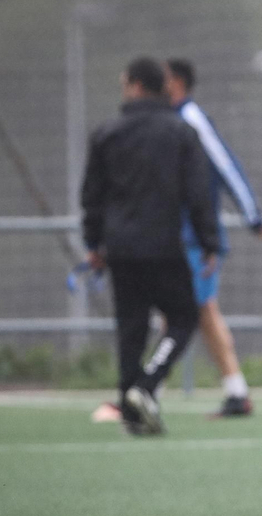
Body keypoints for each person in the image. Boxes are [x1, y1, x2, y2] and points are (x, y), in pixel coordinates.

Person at [80, 56, 220, 435]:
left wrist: (93, 242)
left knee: (131, 327)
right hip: (163, 245)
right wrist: (209, 241)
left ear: (136, 85)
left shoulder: (107, 133)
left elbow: (92, 196)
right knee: (184, 317)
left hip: (120, 249)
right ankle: (146, 386)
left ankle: (131, 408)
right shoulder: (178, 132)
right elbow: (197, 194)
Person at [166, 58, 262, 417]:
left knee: (198, 311)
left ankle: (144, 390)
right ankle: (233, 391)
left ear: (177, 82)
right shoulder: (166, 122)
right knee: (190, 314)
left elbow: (227, 167)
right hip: (172, 238)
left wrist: (254, 218)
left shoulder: (192, 119)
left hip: (197, 240)